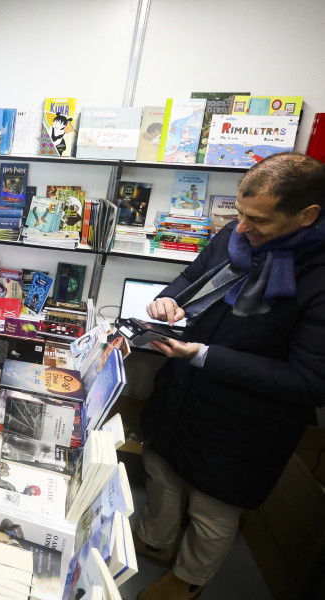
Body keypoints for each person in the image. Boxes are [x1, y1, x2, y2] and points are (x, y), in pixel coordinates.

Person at [134, 153, 325, 600]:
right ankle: (156, 541)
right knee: (162, 468)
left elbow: (310, 381)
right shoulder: (236, 234)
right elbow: (192, 275)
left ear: (307, 215)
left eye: (257, 219)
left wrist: (204, 355)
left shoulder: (318, 276)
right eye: (239, 213)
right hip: (183, 388)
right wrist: (168, 301)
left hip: (246, 419)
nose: (240, 227)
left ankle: (188, 580)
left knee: (212, 507)